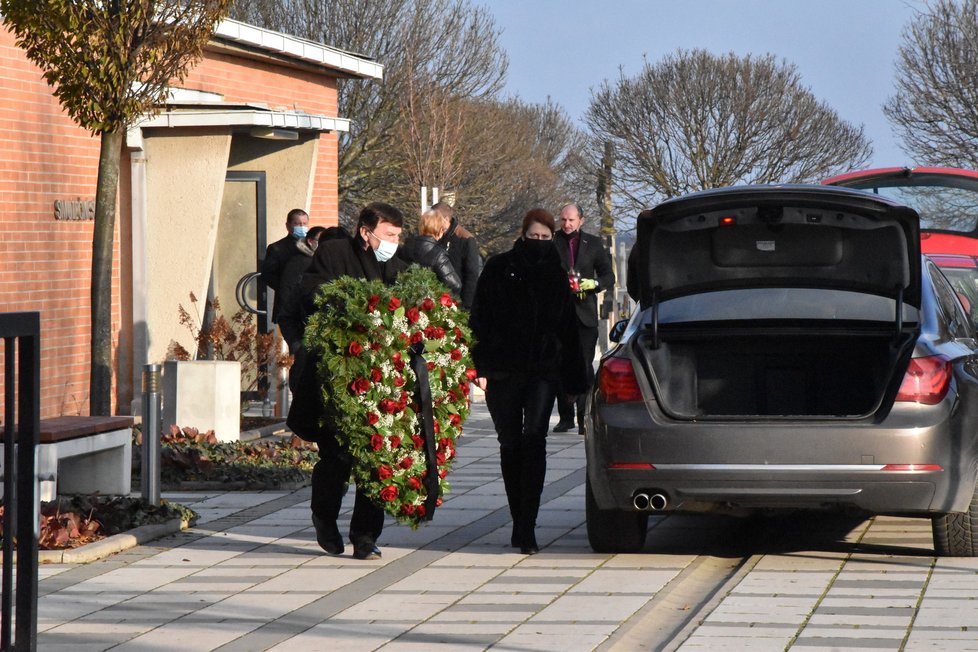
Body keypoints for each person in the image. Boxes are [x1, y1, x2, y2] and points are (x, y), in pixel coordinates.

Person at [287, 203, 408, 561]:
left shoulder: (399, 268)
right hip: (336, 376)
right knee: (337, 456)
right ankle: (324, 517)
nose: (394, 242)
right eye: (388, 235)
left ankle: (366, 536)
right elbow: (311, 292)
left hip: (380, 380)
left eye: (398, 236)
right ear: (366, 233)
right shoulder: (334, 253)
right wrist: (354, 305)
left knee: (376, 456)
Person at [470, 208, 587, 554]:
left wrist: (573, 379)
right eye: (533, 236)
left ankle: (527, 524)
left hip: (542, 370)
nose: (539, 242)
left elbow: (568, 329)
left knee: (535, 439)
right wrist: (479, 366)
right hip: (504, 367)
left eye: (545, 237)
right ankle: (517, 514)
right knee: (510, 442)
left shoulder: (557, 274)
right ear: (523, 235)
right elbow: (480, 317)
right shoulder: (498, 267)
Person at [551, 203, 615, 434]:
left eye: (571, 220)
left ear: (581, 220)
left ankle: (584, 417)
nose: (566, 224)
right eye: (563, 220)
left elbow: (609, 276)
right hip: (558, 315)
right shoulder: (551, 242)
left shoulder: (593, 244)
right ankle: (565, 417)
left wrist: (594, 285)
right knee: (560, 366)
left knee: (584, 367)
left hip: (584, 315)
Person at [277, 226, 349, 354]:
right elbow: (286, 315)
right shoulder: (307, 274)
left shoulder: (356, 275)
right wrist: (299, 346)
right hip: (312, 358)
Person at [399, 208, 463, 298]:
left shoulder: (405, 248)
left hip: (406, 299)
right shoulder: (438, 254)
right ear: (440, 230)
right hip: (430, 303)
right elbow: (455, 285)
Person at [261, 208, 310, 326]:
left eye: (304, 224)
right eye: (297, 224)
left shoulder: (312, 247)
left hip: (308, 305)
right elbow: (268, 275)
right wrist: (287, 287)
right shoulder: (277, 248)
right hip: (287, 305)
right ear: (288, 226)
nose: (302, 227)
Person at [433, 202, 482, 310]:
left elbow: (471, 274)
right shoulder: (434, 236)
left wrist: (465, 304)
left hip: (456, 300)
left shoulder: (465, 239)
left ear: (445, 219)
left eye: (434, 219)